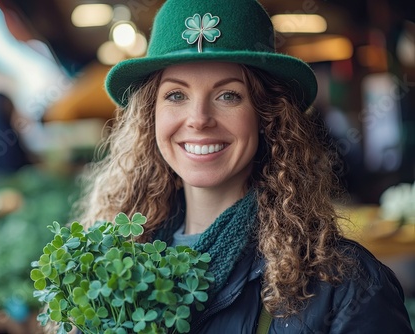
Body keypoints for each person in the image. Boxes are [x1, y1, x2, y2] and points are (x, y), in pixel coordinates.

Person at [78, 0, 414, 332]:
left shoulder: (349, 287)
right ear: (150, 116)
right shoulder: (111, 267)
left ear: (267, 116)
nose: (198, 119)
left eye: (228, 95)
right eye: (176, 95)